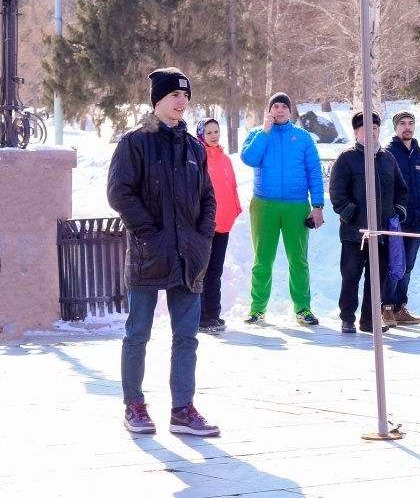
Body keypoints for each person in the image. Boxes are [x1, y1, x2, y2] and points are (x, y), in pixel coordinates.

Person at [106, 67, 219, 436]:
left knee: (187, 336)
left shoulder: (194, 148)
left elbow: (207, 198)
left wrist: (202, 238)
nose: (181, 101)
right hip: (147, 254)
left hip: (188, 256)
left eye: (185, 95)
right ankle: (134, 404)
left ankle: (182, 409)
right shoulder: (134, 143)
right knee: (138, 333)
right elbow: (119, 193)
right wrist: (149, 231)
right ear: (157, 100)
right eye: (174, 95)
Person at [240, 93, 324, 326]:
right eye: (275, 106)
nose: (279, 110)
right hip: (264, 204)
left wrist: (317, 206)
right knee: (262, 260)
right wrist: (264, 132)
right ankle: (257, 308)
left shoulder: (303, 137)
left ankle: (303, 308)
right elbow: (249, 158)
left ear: (290, 111)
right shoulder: (258, 134)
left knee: (298, 260)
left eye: (283, 107)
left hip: (296, 206)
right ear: (269, 110)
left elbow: (314, 173)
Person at [329, 111, 408, 334]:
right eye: (366, 128)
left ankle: (369, 320)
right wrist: (350, 213)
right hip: (355, 232)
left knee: (376, 280)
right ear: (356, 132)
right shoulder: (346, 159)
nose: (371, 132)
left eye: (375, 128)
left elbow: (402, 190)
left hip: (381, 233)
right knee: (351, 276)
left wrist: (397, 211)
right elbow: (336, 192)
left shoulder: (388, 159)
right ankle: (347, 318)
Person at [384, 110, 420, 326]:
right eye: (402, 123)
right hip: (397, 219)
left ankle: (400, 307)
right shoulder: (389, 153)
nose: (407, 127)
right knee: (394, 264)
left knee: (408, 265)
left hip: (416, 219)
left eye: (410, 123)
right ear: (395, 128)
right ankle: (386, 307)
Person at [195, 118, 243, 334]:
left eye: (216, 131)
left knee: (215, 272)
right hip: (204, 225)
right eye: (209, 133)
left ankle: (213, 314)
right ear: (201, 136)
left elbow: (232, 187)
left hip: (223, 224)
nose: (213, 136)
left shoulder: (225, 160)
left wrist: (235, 210)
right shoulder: (198, 158)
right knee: (202, 272)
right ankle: (201, 317)